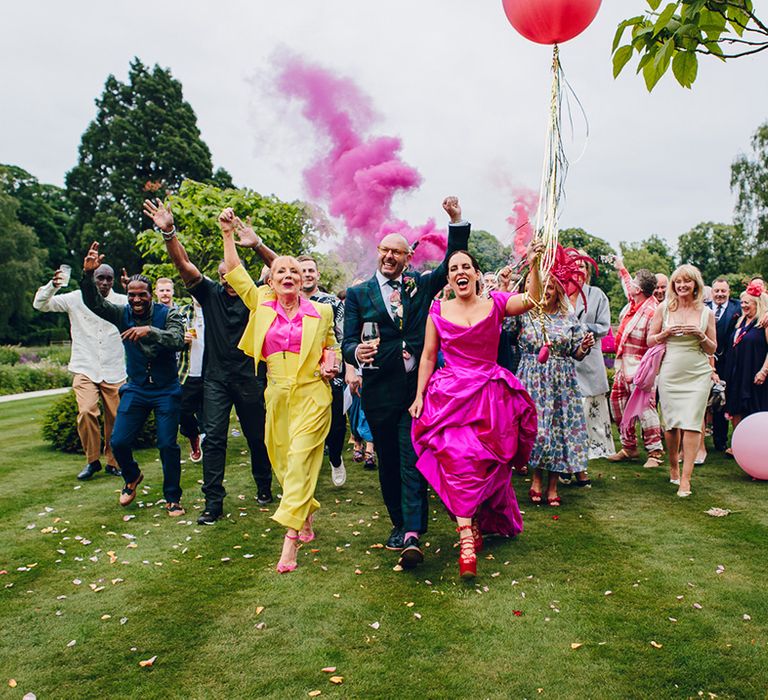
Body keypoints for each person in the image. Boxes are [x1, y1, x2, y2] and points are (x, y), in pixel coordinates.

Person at [342, 196, 471, 569]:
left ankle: (413, 531)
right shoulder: (358, 294)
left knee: (411, 459)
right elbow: (348, 340)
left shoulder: (418, 285)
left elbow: (450, 266)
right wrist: (354, 355)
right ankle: (398, 522)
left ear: (407, 258)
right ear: (378, 253)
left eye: (397, 252)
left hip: (415, 391)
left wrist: (456, 221)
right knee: (387, 463)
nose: (390, 257)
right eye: (385, 250)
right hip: (379, 391)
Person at [409, 246, 540, 578]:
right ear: (449, 278)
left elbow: (532, 300)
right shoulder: (437, 309)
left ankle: (476, 522)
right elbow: (427, 356)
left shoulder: (496, 304)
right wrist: (419, 395)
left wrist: (536, 265)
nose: (460, 272)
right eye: (454, 269)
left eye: (466, 266)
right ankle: (466, 539)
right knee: (454, 459)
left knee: (481, 464)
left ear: (477, 274)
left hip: (489, 398)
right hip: (448, 397)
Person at [142, 199, 276, 525]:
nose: (227, 280)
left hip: (250, 377)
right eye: (222, 276)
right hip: (216, 379)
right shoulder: (210, 293)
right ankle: (212, 503)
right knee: (213, 439)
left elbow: (281, 266)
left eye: (232, 275)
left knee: (258, 437)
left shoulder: (256, 295)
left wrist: (250, 241)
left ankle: (263, 484)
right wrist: (170, 233)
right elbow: (184, 266)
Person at [221, 218, 338, 574]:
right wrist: (228, 235)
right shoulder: (261, 304)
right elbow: (234, 271)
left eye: (294, 271)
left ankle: (289, 544)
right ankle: (305, 512)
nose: (288, 275)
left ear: (303, 280)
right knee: (284, 464)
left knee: (301, 458)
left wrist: (331, 363)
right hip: (276, 395)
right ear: (270, 280)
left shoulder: (322, 311)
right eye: (280, 271)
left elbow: (330, 345)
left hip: (313, 395)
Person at [80, 242, 187, 515]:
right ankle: (132, 476)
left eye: (142, 295)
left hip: (166, 390)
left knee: (167, 444)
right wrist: (87, 275)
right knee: (118, 442)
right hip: (137, 388)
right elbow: (93, 302)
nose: (136, 300)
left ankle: (173, 497)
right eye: (131, 295)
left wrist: (149, 331)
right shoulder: (121, 313)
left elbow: (177, 340)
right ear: (126, 295)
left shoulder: (168, 314)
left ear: (151, 295)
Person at [33, 262, 127, 480]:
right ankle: (92, 461)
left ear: (113, 281)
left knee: (116, 417)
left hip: (115, 369)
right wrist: (53, 285)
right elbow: (40, 304)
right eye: (100, 278)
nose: (104, 283)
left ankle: (114, 462)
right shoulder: (75, 298)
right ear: (93, 278)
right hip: (85, 367)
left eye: (108, 279)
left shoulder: (122, 302)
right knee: (86, 411)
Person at [516, 252, 596, 507]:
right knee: (538, 432)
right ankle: (535, 478)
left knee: (559, 432)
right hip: (532, 379)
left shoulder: (568, 317)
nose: (547, 290)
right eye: (544, 286)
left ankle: (551, 485)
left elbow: (577, 353)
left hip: (562, 382)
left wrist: (585, 346)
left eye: (551, 286)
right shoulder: (525, 313)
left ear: (558, 290)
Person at [648, 264, 716, 498]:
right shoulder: (664, 309)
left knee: (692, 422)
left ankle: (685, 480)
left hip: (697, 373)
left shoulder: (707, 313)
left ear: (695, 284)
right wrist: (665, 334)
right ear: (674, 285)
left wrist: (701, 335)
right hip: (670, 372)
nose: (682, 285)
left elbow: (712, 348)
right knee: (672, 423)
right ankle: (673, 465)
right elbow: (650, 340)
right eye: (678, 282)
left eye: (687, 281)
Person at [607, 260, 664, 468]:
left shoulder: (653, 311)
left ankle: (655, 452)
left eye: (634, 284)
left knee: (645, 409)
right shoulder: (635, 302)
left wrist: (650, 371)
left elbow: (656, 344)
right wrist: (620, 267)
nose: (629, 285)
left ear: (638, 289)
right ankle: (629, 447)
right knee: (618, 403)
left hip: (642, 366)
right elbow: (626, 282)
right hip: (623, 364)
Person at [297, 254, 347, 487]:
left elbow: (341, 337)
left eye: (310, 270)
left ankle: (335, 458)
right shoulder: (288, 302)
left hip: (330, 375)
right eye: (302, 270)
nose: (307, 274)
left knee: (336, 424)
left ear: (317, 275)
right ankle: (305, 470)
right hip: (299, 376)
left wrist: (337, 367)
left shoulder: (332, 303)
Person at [569, 251, 615, 464]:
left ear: (587, 272)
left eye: (582, 267)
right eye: (573, 266)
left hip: (590, 360)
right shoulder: (559, 292)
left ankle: (585, 460)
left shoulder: (597, 295)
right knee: (570, 414)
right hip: (565, 362)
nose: (577, 271)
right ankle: (569, 460)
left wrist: (581, 327)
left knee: (589, 411)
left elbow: (604, 327)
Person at [723, 283, 768, 441]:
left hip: (754, 371)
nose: (743, 305)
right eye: (742, 302)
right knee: (736, 407)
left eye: (747, 302)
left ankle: (757, 443)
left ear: (758, 304)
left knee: (753, 407)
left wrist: (764, 370)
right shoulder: (740, 322)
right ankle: (739, 443)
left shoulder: (763, 323)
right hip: (738, 372)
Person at [705, 278, 742, 451]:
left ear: (729, 292)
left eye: (723, 291)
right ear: (711, 292)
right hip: (705, 360)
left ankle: (721, 441)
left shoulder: (738, 308)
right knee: (703, 399)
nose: (720, 294)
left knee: (724, 398)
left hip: (729, 362)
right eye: (717, 291)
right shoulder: (703, 307)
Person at [178, 299, 205, 462]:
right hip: (187, 372)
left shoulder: (216, 310)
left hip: (211, 374)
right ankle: (194, 436)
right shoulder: (182, 312)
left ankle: (208, 446)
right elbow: (170, 335)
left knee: (209, 416)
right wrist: (180, 338)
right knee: (182, 412)